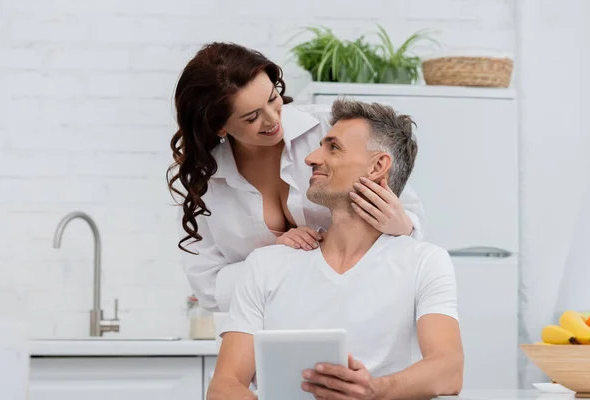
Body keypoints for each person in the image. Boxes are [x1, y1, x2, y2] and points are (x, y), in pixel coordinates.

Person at [207, 99, 464, 400]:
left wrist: (373, 391)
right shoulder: (267, 264)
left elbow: (449, 370)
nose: (311, 158)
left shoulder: (425, 262)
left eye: (333, 148)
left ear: (378, 166)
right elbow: (224, 385)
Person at [168, 42, 426, 313]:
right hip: (261, 333)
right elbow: (210, 290)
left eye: (271, 98)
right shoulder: (206, 181)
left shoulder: (328, 129)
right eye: (251, 117)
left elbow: (411, 225)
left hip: (353, 314)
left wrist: (404, 226)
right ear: (220, 126)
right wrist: (279, 256)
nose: (272, 120)